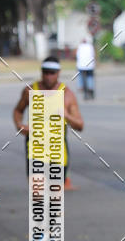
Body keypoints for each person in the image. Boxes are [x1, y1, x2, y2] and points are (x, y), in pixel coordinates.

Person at [12, 57, 84, 190]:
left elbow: (80, 125)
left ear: (59, 73)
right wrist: (19, 124)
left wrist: (67, 116)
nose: (49, 76)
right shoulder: (29, 91)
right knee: (37, 194)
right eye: (46, 72)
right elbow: (18, 110)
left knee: (54, 198)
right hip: (35, 147)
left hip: (57, 148)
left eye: (52, 73)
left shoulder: (67, 94)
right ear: (41, 72)